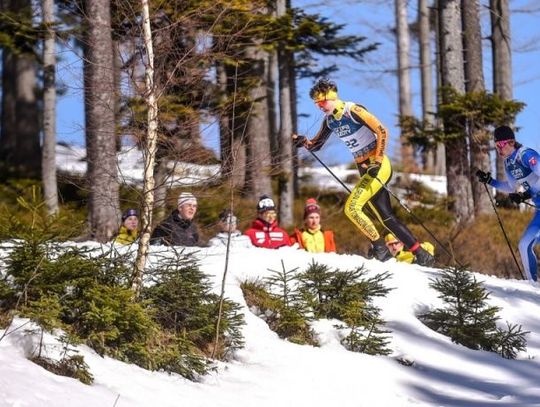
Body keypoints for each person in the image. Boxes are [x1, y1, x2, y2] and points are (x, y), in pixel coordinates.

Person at [293, 78, 435, 266]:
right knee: (386, 217)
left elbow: (382, 131)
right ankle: (421, 254)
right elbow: (316, 145)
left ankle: (380, 248)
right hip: (364, 168)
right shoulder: (330, 121)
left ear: (332, 97)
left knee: (352, 208)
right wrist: (304, 142)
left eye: (322, 102)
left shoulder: (353, 111)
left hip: (378, 165)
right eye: (316, 104)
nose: (319, 106)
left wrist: (376, 160)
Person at [476, 125, 540, 282]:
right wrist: (490, 181)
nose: (498, 150)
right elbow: (510, 187)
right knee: (524, 245)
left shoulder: (526, 155)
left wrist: (527, 193)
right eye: (496, 146)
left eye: (500, 145)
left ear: (511, 142)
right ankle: (532, 288)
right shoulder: (509, 163)